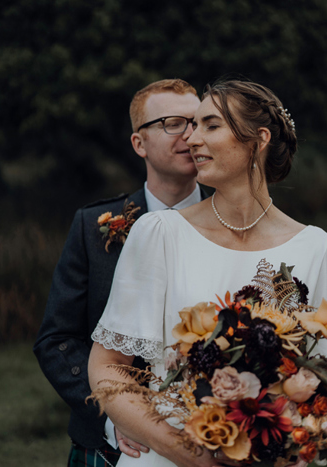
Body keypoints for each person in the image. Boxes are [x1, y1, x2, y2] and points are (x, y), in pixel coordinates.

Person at [88, 79, 318, 467]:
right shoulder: (160, 232)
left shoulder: (316, 250)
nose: (191, 139)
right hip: (169, 454)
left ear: (258, 139)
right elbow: (108, 366)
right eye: (192, 126)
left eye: (210, 125)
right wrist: (187, 453)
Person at [34, 78, 204, 466]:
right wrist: (116, 414)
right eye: (173, 123)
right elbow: (57, 339)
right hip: (109, 445)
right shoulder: (93, 226)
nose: (190, 135)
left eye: (199, 122)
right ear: (138, 144)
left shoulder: (234, 225)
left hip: (208, 437)